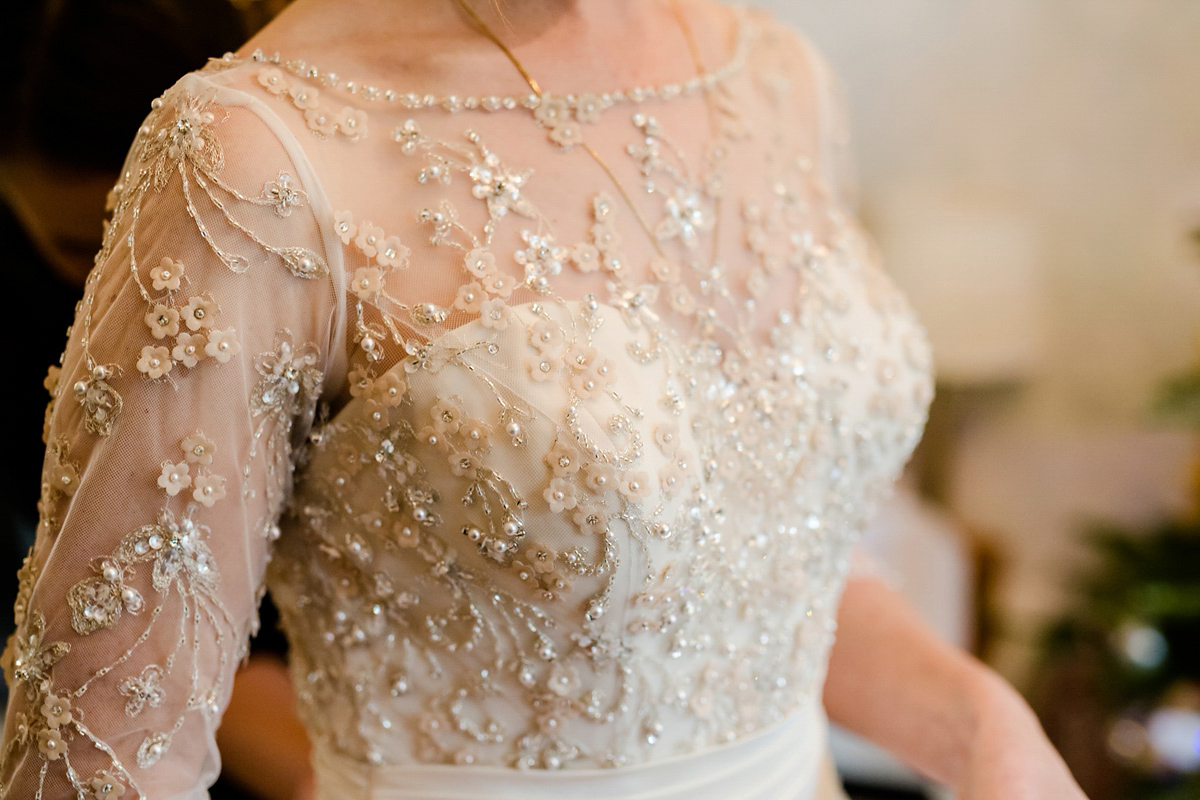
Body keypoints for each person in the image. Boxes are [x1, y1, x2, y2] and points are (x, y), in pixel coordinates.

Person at [0, 0, 1088, 798]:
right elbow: (100, 764)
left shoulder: (782, 77)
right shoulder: (254, 154)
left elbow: (773, 570)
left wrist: (980, 723)